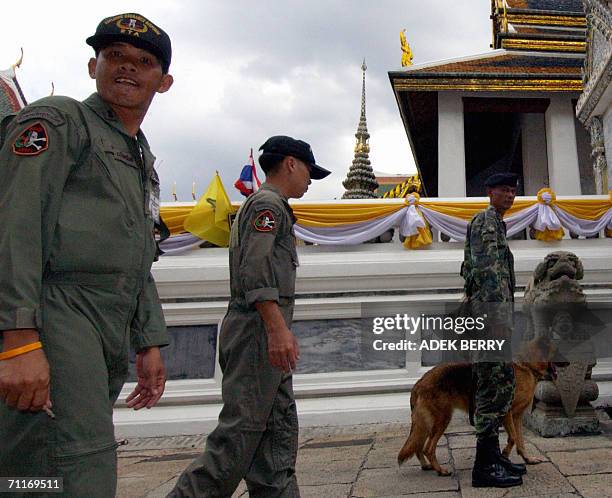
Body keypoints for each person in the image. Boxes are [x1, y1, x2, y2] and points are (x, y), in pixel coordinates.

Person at [0, 13, 173, 497]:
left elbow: (137, 253)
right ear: (92, 64)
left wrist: (149, 340)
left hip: (108, 326)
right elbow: (15, 227)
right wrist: (18, 340)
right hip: (57, 316)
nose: (127, 68)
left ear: (164, 82)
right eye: (115, 56)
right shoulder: (58, 121)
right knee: (75, 462)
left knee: (41, 464)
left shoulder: (138, 155)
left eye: (143, 62)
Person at [170, 136, 331, 498]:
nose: (309, 180)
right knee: (238, 439)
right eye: (308, 171)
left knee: (276, 434)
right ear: (290, 163)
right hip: (257, 333)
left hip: (263, 332)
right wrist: (276, 330)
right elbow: (255, 271)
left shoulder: (271, 206)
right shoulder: (267, 206)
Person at [461, 172, 525, 488]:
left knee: (502, 384)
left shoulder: (497, 223)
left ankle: (493, 455)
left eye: (513, 191)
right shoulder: (486, 222)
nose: (509, 196)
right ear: (489, 192)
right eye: (504, 190)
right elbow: (489, 273)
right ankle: (483, 467)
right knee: (491, 387)